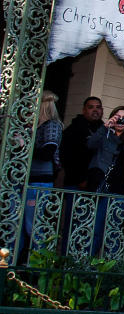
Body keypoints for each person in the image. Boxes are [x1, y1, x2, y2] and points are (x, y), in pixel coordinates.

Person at [84, 105, 124, 254]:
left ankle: (108, 270)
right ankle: (88, 267)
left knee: (114, 234)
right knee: (96, 231)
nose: (120, 120)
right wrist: (105, 127)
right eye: (118, 117)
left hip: (120, 192)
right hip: (102, 190)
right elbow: (90, 145)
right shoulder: (105, 135)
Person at [21, 90, 62, 255]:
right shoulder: (34, 126)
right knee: (20, 225)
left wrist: (25, 145)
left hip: (39, 181)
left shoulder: (51, 125)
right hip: (27, 179)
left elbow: (47, 153)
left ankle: (36, 267)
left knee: (33, 226)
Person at [60, 96, 103, 189]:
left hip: (99, 184)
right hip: (76, 184)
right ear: (84, 110)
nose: (95, 110)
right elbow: (66, 156)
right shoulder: (73, 130)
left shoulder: (106, 130)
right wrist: (80, 179)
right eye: (91, 107)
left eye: (98, 107)